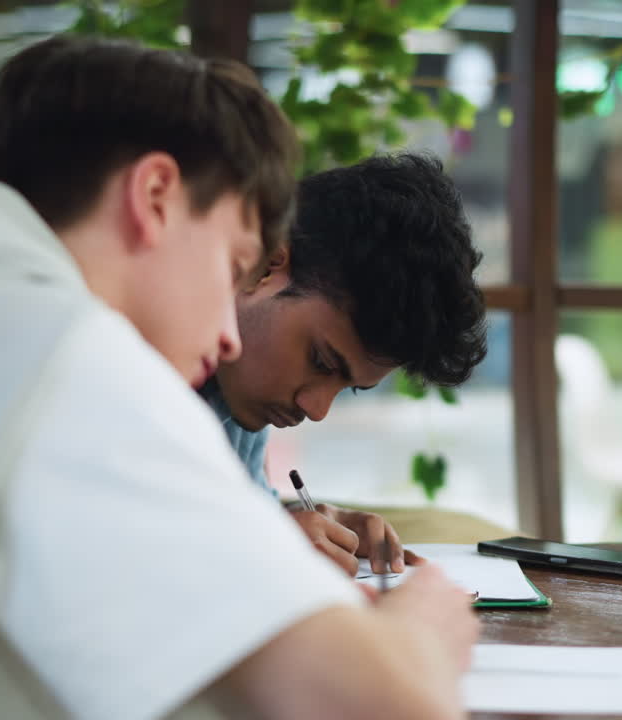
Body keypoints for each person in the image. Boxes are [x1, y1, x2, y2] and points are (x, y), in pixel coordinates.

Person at [0, 36, 477, 719]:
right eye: (232, 264)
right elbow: (379, 704)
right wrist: (426, 623)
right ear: (156, 197)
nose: (226, 325)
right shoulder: (59, 357)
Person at [201, 152, 488, 576]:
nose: (316, 409)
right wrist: (260, 538)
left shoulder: (237, 394)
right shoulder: (128, 361)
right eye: (320, 360)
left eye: (349, 387)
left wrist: (296, 521)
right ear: (268, 265)